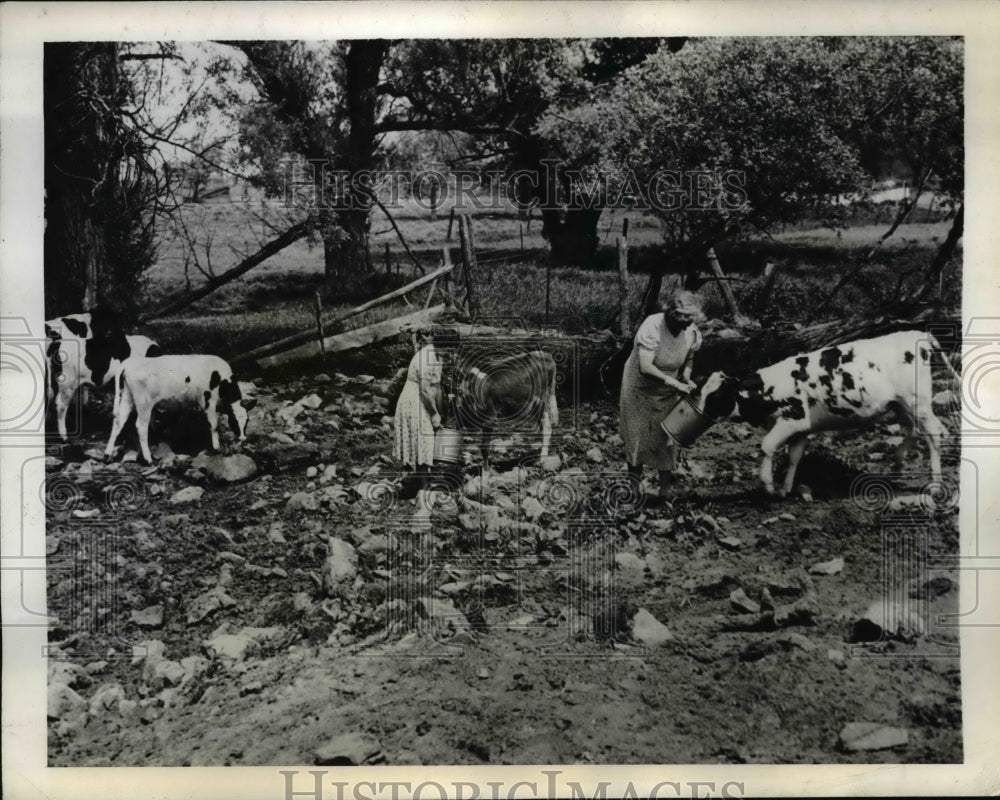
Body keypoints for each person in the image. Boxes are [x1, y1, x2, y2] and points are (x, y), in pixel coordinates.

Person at [619, 290, 703, 502]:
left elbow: (690, 355)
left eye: (691, 318)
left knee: (667, 438)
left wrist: (685, 376)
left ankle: (665, 491)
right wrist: (675, 383)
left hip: (669, 390)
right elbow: (646, 367)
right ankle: (635, 489)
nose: (688, 323)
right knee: (637, 437)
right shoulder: (653, 326)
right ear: (672, 314)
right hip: (639, 388)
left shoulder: (690, 330)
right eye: (684, 318)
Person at [394, 328, 460, 504]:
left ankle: (421, 483)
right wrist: (434, 413)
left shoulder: (437, 357)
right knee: (424, 440)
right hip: (414, 399)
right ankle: (422, 490)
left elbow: (436, 386)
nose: (450, 355)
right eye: (449, 350)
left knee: (426, 441)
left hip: (423, 398)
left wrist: (442, 409)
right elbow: (424, 390)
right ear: (442, 345)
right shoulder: (427, 357)